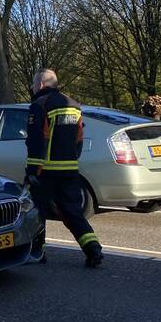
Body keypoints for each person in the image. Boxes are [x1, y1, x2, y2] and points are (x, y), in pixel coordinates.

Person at [25, 69, 103, 268]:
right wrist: (71, 159)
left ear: (41, 84)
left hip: (46, 172)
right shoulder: (74, 105)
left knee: (37, 212)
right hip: (69, 170)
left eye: (34, 84)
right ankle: (93, 248)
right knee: (72, 212)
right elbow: (78, 139)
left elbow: (37, 141)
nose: (33, 88)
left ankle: (37, 252)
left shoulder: (39, 105)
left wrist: (32, 172)